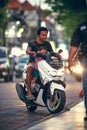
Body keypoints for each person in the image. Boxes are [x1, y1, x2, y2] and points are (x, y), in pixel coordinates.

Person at [26, 27, 53, 100]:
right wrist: (32, 52)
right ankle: (29, 92)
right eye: (43, 35)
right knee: (30, 69)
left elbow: (52, 53)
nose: (45, 36)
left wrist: (57, 55)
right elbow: (27, 51)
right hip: (33, 62)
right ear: (38, 35)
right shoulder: (32, 43)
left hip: (44, 63)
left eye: (46, 35)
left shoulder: (47, 44)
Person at [68, 20, 87, 121]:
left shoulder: (82, 26)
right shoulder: (81, 27)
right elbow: (74, 45)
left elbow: (74, 45)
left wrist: (70, 60)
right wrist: (70, 59)